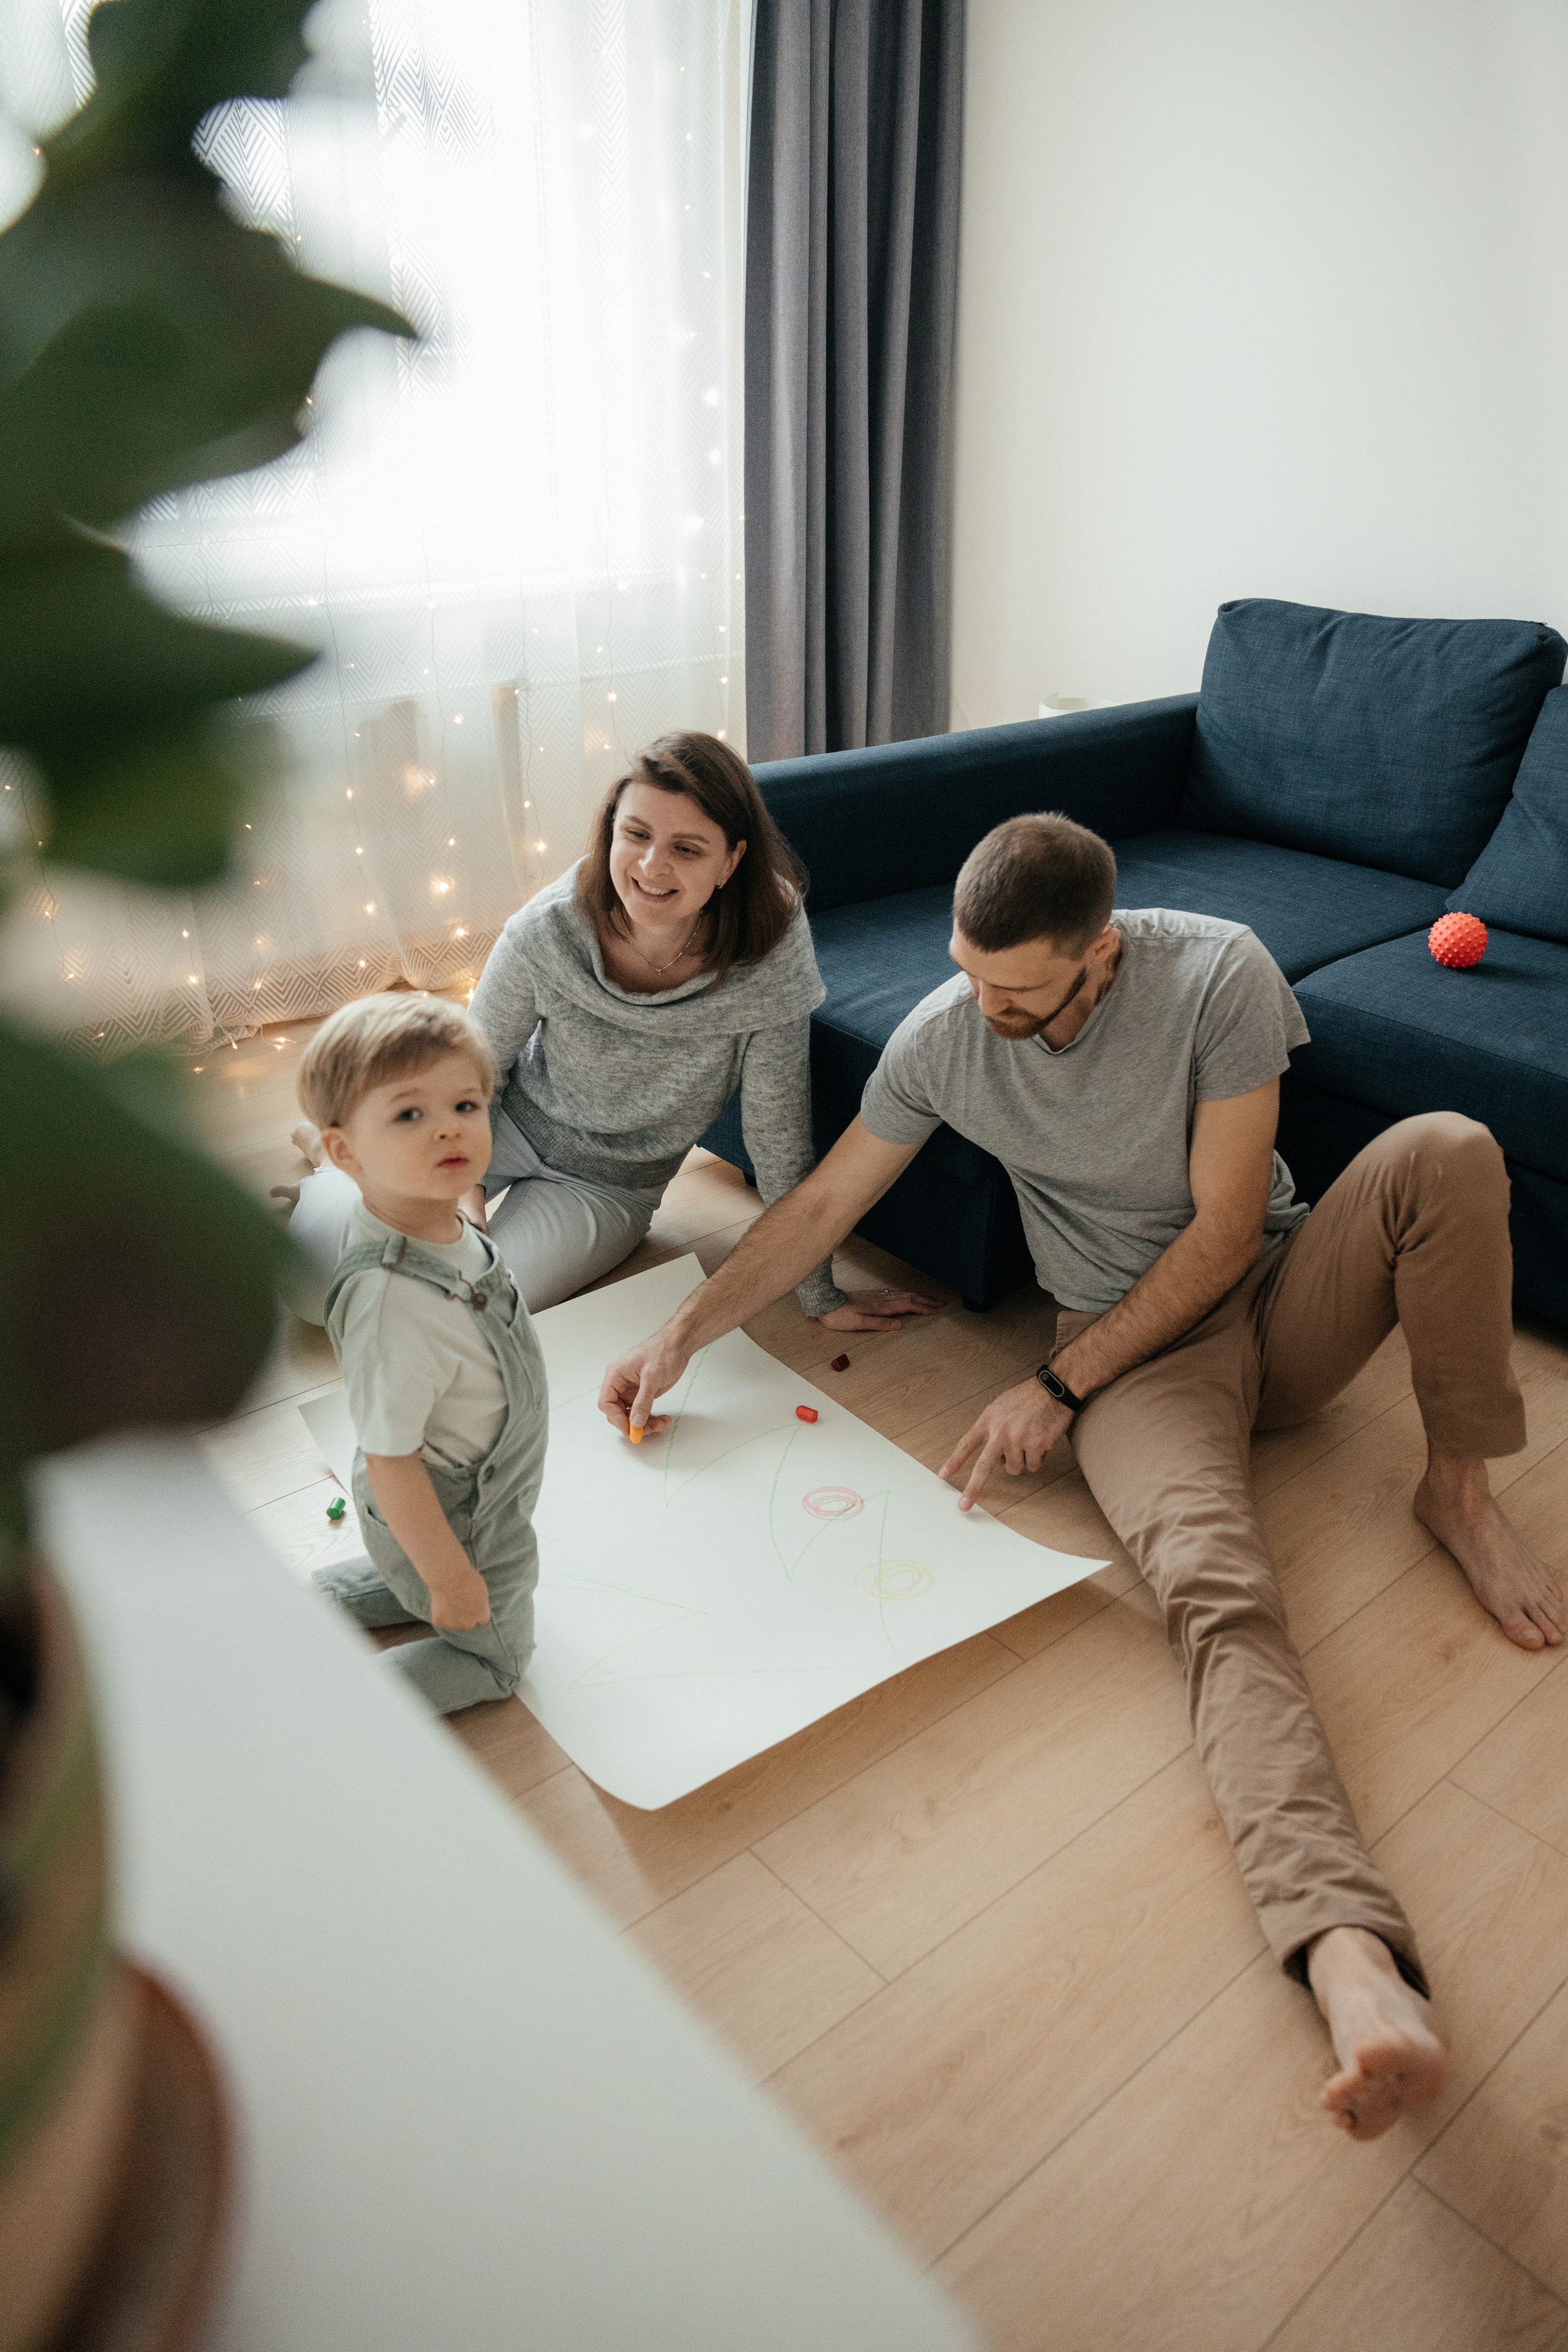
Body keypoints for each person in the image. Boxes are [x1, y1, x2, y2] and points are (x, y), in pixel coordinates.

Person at [597, 810, 1566, 2143]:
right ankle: (1347, 1956)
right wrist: (676, 1333)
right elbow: (823, 1206)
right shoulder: (949, 1031)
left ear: (1098, 954)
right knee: (1217, 1600)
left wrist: (1050, 1389)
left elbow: (1228, 1233)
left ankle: (1454, 1486)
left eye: (1014, 987)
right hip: (1131, 1369)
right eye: (967, 971)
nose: (977, 1003)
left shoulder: (1215, 971)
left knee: (1449, 1146)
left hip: (1269, 1293)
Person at [281, 730, 933, 1338]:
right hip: (494, 1124)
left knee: (463, 1314)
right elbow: (472, 1072)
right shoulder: (548, 930)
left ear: (731, 861)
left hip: (608, 1186)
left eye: (687, 848)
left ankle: (348, 1158)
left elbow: (777, 1135)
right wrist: (460, 1194)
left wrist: (819, 1293)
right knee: (311, 1290)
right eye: (636, 835)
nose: (652, 867)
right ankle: (331, 1157)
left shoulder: (770, 944)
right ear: (610, 834)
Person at [299, 991, 546, 1716]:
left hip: (410, 1510)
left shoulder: (422, 1218)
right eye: (410, 1114)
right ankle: (333, 1706)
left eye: (465, 1105)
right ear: (344, 1151)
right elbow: (391, 1461)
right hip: (450, 1508)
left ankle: (341, 1594)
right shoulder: (393, 1306)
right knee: (500, 1660)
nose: (449, 1130)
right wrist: (451, 1578)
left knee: (404, 1558)